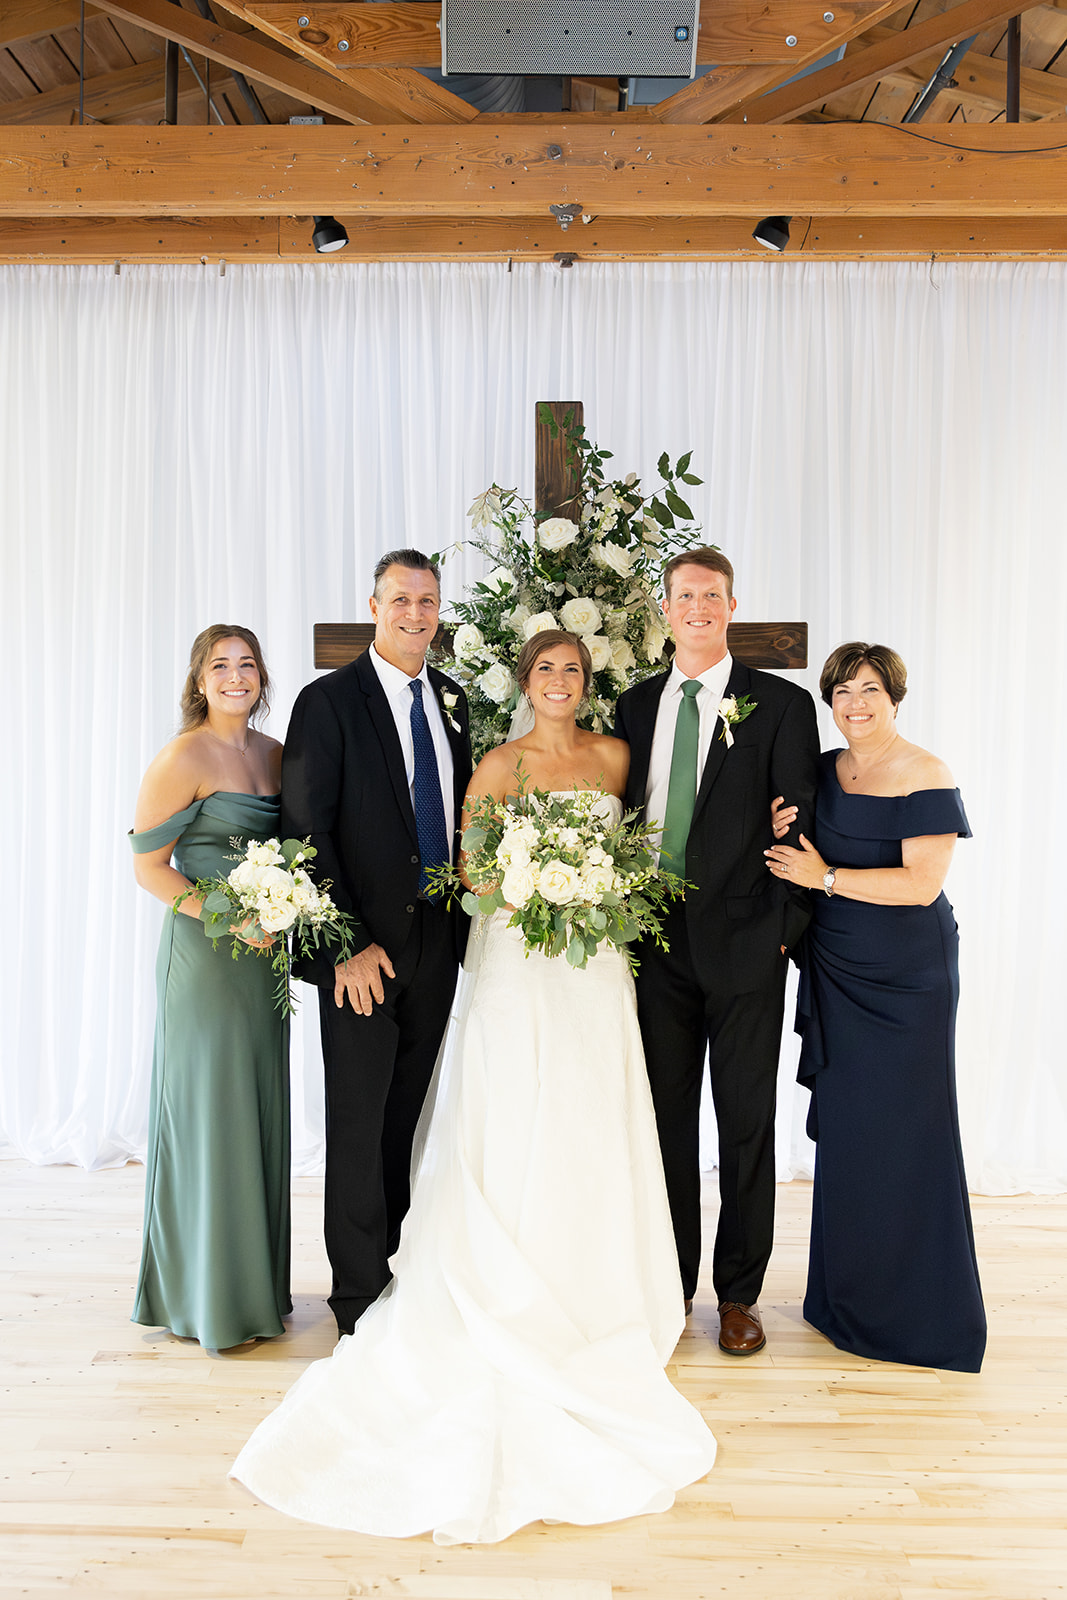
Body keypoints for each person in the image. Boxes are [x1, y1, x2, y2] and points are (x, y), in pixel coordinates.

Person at [231, 631, 717, 1541]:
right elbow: (473, 873)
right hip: (517, 959)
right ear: (525, 682)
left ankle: (598, 1279)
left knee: (592, 1112)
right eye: (545, 670)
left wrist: (596, 890)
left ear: (586, 681)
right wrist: (537, 886)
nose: (561, 683)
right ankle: (396, 1286)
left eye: (573, 670)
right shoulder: (493, 762)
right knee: (503, 1105)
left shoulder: (614, 756)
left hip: (594, 964)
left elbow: (646, 845)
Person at [615, 549, 820, 1356]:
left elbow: (798, 819)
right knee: (663, 1124)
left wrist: (781, 932)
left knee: (745, 1124)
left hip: (745, 946)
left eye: (710, 594)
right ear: (663, 609)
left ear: (732, 605)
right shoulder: (633, 707)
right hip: (653, 947)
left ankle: (738, 1295)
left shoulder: (778, 703)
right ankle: (668, 1289)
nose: (696, 606)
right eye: (682, 595)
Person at [765, 643, 986, 1372]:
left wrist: (823, 875)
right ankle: (842, 1302)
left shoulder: (925, 772)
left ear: (895, 698)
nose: (853, 704)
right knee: (854, 1135)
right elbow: (794, 844)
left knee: (907, 1133)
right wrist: (779, 824)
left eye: (868, 690)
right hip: (836, 968)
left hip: (906, 977)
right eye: (841, 692)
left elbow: (920, 885)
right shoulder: (825, 770)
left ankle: (919, 1315)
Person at [280, 549, 472, 1337]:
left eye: (427, 601)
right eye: (401, 599)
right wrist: (344, 946)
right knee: (358, 1122)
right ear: (373, 605)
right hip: (362, 951)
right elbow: (305, 832)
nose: (415, 613)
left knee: (404, 1119)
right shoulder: (327, 702)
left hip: (437, 940)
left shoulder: (454, 700)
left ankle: (391, 1269)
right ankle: (356, 1297)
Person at [129, 625, 290, 1352]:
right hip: (205, 956)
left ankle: (252, 1287)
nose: (234, 677)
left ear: (261, 677)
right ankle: (203, 1298)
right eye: (220, 666)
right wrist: (231, 917)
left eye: (246, 664)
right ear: (198, 680)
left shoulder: (272, 754)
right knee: (209, 1110)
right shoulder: (182, 755)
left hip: (264, 966)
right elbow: (150, 868)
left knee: (255, 1104)